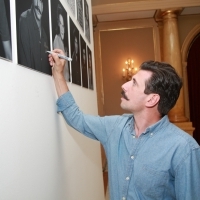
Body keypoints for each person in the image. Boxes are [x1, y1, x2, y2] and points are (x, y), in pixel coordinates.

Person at [48, 49, 200, 200]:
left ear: (152, 99)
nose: (124, 86)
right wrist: (58, 73)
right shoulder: (114, 127)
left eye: (134, 83)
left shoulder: (184, 149)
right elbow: (76, 118)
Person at [18, 0, 51, 75]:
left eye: (41, 2)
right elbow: (25, 63)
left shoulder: (44, 34)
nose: (39, 5)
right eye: (37, 1)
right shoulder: (25, 19)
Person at [53, 3, 69, 81]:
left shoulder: (62, 43)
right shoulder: (57, 40)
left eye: (63, 26)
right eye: (60, 24)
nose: (62, 29)